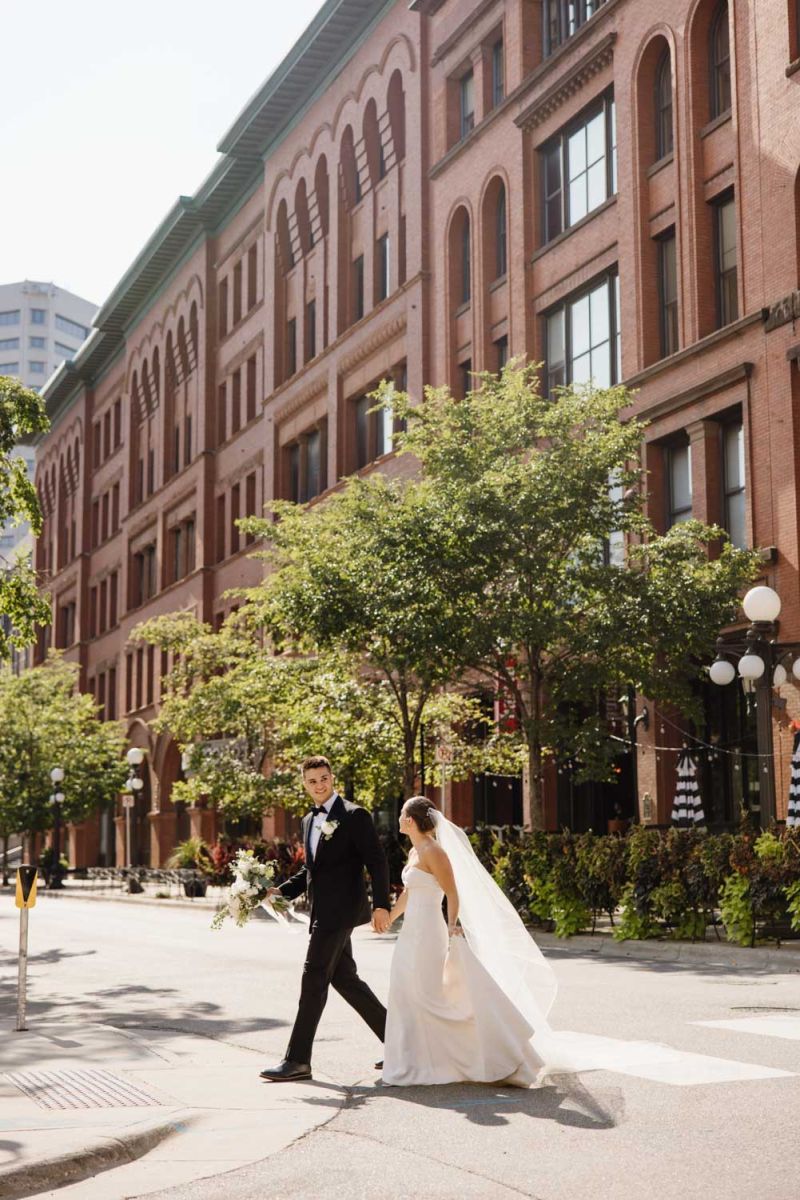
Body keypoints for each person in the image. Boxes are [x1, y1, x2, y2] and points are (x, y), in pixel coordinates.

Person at [381, 796, 553, 1088]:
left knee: (427, 995)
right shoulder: (414, 851)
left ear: (410, 820)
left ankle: (468, 1054)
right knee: (403, 989)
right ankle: (413, 1059)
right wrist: (390, 917)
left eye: (401, 814)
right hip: (410, 932)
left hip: (429, 933)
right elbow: (410, 892)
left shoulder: (434, 851)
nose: (398, 818)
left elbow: (452, 891)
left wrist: (451, 926)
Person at [259, 755, 391, 1082]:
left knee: (313, 978)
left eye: (324, 778)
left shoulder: (354, 815)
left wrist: (382, 905)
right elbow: (310, 870)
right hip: (323, 910)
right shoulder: (307, 821)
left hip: (341, 911)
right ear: (305, 785)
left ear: (332, 778)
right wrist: (280, 892)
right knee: (346, 980)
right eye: (312, 781)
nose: (319, 785)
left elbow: (377, 862)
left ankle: (298, 1060)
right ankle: (401, 1044)